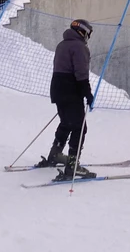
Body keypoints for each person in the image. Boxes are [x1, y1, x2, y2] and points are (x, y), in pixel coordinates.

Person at [40, 19, 96, 180]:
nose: (88, 37)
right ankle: (72, 165)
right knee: (80, 127)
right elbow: (81, 73)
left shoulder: (62, 45)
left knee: (66, 122)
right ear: (83, 32)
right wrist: (88, 94)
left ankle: (55, 154)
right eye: (88, 34)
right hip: (71, 90)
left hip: (58, 90)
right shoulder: (79, 47)